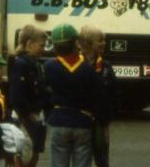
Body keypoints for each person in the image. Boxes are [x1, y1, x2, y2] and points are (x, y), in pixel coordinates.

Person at [45, 23, 108, 167]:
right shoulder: (87, 69)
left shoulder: (49, 67)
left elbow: (45, 95)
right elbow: (99, 98)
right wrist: (102, 121)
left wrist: (49, 114)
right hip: (82, 122)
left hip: (59, 120)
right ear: (76, 44)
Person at [8, 25, 51, 167]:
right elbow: (16, 95)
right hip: (25, 119)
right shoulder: (20, 64)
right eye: (41, 45)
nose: (43, 49)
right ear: (29, 44)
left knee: (33, 157)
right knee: (22, 158)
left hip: (37, 117)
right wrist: (27, 114)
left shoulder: (35, 64)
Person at [78, 25, 118, 167]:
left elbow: (111, 97)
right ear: (88, 43)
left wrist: (106, 124)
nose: (104, 43)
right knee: (81, 159)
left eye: (104, 40)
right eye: (100, 40)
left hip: (100, 122)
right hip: (79, 121)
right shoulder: (75, 65)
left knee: (102, 159)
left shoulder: (106, 67)